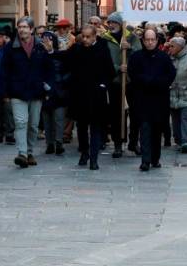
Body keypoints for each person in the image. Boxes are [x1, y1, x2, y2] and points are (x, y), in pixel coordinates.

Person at [2, 16, 54, 168]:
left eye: (25, 27)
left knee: (33, 125)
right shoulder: (10, 47)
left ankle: (30, 152)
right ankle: (22, 153)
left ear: (32, 29)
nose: (22, 30)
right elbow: (4, 71)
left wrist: (48, 87)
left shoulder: (41, 46)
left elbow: (49, 68)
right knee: (20, 122)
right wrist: (6, 92)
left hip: (37, 91)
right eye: (20, 27)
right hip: (17, 91)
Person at [63, 25, 115, 170]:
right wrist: (49, 51)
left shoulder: (102, 49)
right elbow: (65, 59)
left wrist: (103, 85)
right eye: (83, 36)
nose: (84, 39)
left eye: (87, 37)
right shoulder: (77, 49)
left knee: (96, 127)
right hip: (80, 94)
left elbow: (110, 71)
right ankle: (84, 152)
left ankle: (94, 158)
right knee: (81, 126)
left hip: (96, 95)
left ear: (94, 37)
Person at [128, 29, 177, 171]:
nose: (150, 42)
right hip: (142, 99)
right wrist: (146, 81)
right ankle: (145, 160)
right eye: (147, 40)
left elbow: (171, 74)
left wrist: (159, 82)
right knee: (144, 128)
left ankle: (155, 158)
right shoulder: (136, 57)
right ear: (143, 41)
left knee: (156, 130)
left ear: (157, 40)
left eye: (152, 39)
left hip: (159, 99)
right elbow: (133, 74)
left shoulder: (164, 57)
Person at [101, 12, 142, 158]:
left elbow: (140, 55)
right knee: (116, 114)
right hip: (115, 81)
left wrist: (129, 47)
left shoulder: (131, 36)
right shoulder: (105, 39)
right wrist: (118, 67)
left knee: (136, 111)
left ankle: (133, 142)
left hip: (131, 81)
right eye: (110, 22)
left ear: (120, 23)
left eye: (114, 22)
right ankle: (118, 144)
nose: (111, 25)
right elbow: (104, 59)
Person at [40, 31, 70, 156]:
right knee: (47, 119)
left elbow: (68, 72)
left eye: (49, 39)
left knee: (58, 118)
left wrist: (62, 84)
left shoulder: (61, 55)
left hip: (59, 92)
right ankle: (49, 143)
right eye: (44, 40)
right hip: (45, 91)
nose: (46, 42)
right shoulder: (39, 55)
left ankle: (59, 142)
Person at [167, 37, 187, 154]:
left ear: (180, 47)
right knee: (175, 119)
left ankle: (185, 142)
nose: (170, 48)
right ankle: (178, 140)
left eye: (172, 46)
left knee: (185, 118)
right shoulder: (170, 58)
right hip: (173, 94)